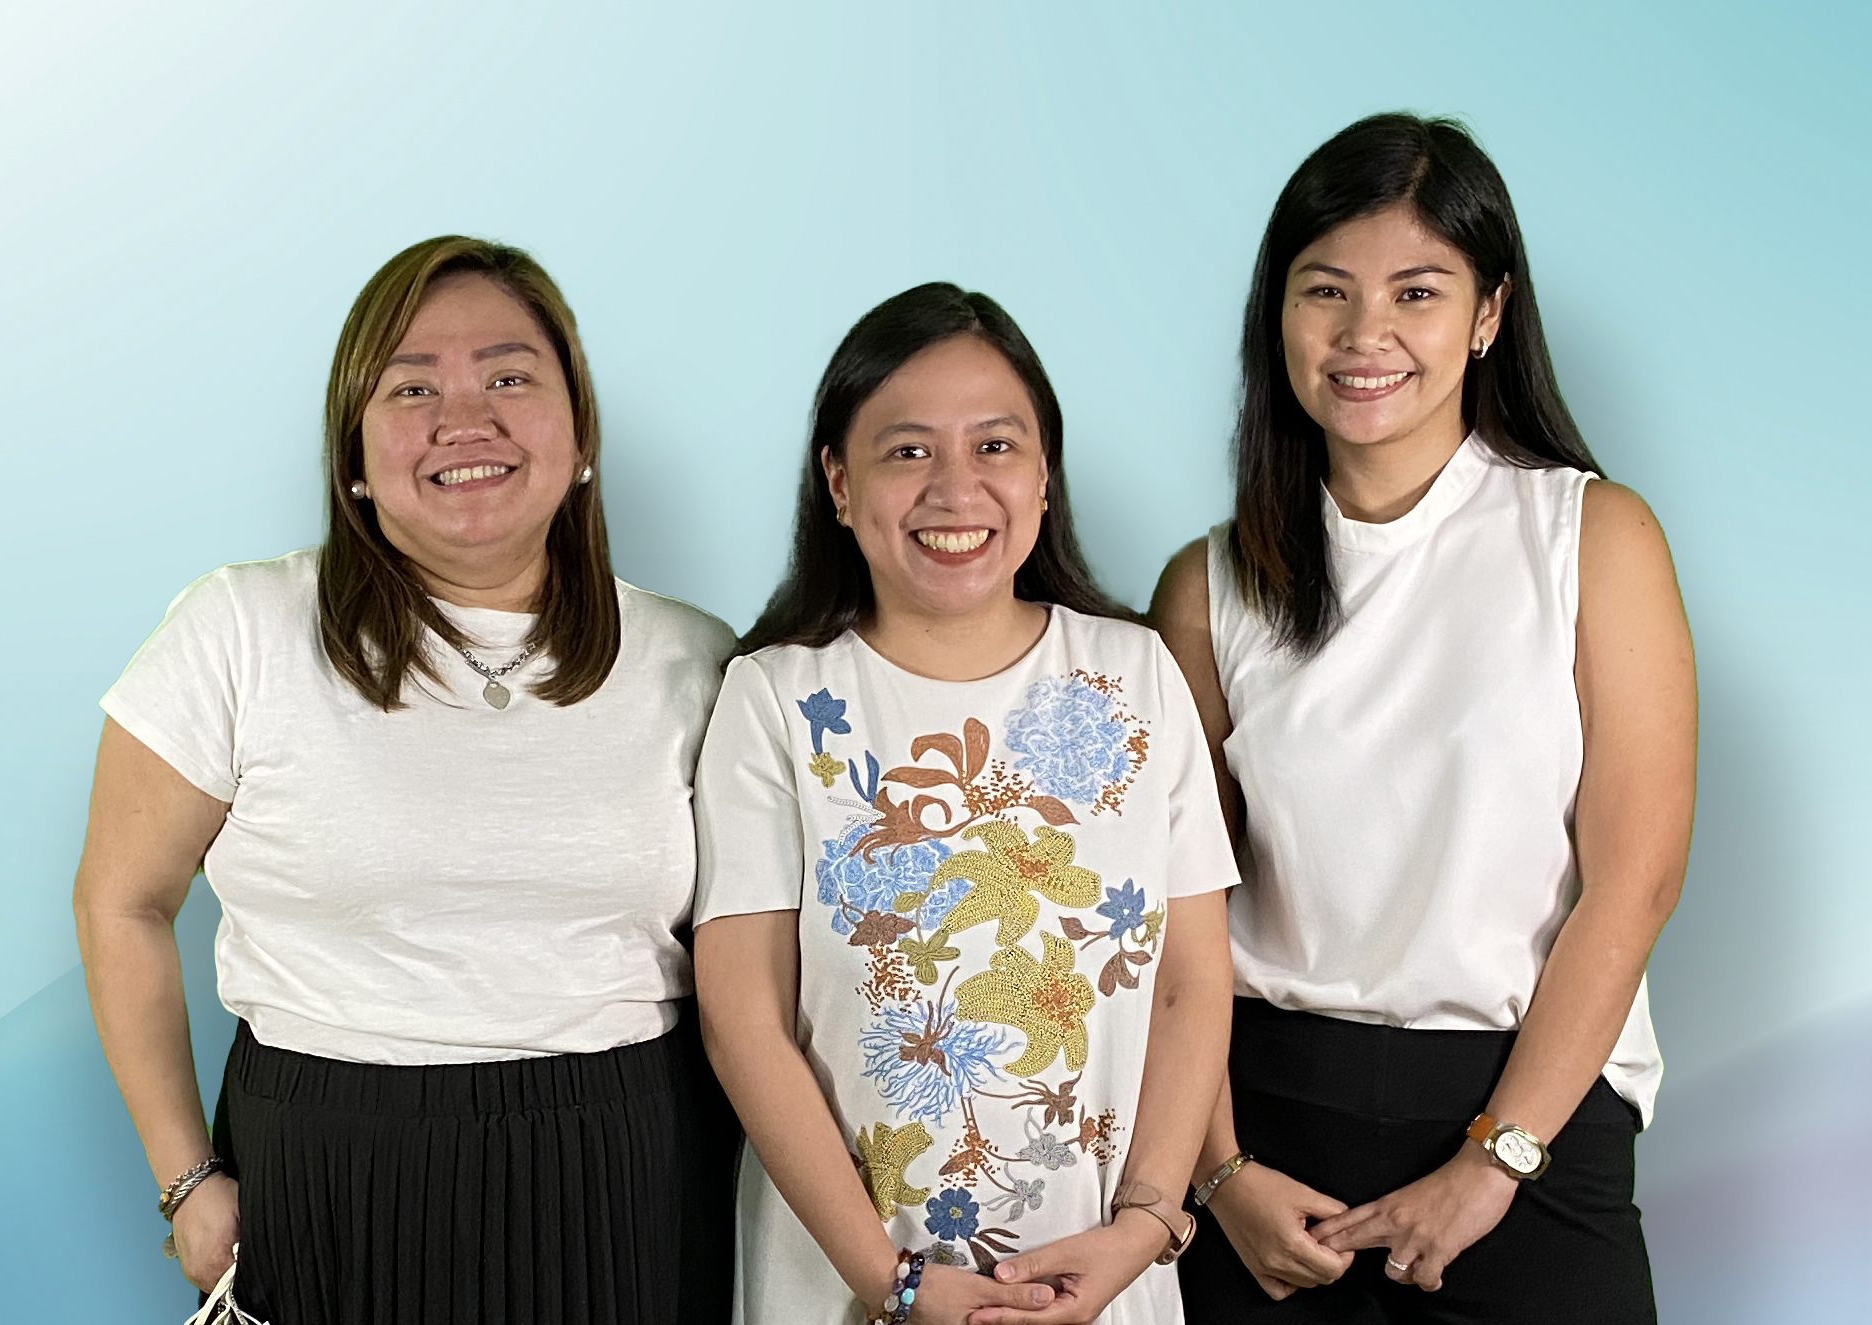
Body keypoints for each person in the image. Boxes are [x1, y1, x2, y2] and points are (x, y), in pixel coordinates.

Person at [72, 236, 738, 1325]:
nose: (463, 418)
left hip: (635, 1167)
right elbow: (120, 901)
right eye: (412, 385)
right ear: (353, 456)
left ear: (580, 437)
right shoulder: (239, 628)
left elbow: (758, 956)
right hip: (324, 1171)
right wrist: (187, 1178)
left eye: (509, 377)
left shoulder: (697, 658)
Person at [1153, 114, 1695, 1324]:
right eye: (1324, 292)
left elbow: (1634, 879)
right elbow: (1173, 908)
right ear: (1275, 314)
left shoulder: (1589, 538)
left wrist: (1493, 1161)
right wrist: (1216, 1168)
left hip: (1528, 1106)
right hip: (1266, 1134)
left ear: (1489, 312)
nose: (1365, 337)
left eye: (1417, 291)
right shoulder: (1208, 585)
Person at [692, 283, 1239, 1325]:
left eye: (995, 446)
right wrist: (889, 1279)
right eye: (907, 451)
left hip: (1106, 1275)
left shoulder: (1132, 674)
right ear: (838, 483)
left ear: (1042, 477)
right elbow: (743, 1018)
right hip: (847, 1283)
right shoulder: (775, 698)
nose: (955, 488)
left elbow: (1190, 978)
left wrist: (1145, 1223)